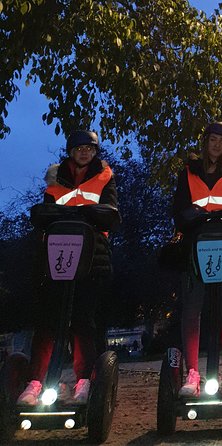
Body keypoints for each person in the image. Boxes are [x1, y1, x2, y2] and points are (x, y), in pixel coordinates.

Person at [17, 130, 118, 405]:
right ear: (70, 152)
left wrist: (94, 214)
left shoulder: (105, 177)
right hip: (57, 255)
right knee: (49, 320)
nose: (84, 152)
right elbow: (46, 211)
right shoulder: (55, 177)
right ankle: (36, 381)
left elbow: (111, 211)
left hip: (90, 257)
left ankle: (84, 381)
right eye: (79, 148)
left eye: (89, 148)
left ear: (95, 152)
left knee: (83, 320)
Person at [172, 121, 222, 397]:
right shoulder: (188, 173)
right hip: (196, 247)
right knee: (192, 307)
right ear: (205, 142)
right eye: (212, 140)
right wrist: (191, 217)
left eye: (221, 141)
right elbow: (178, 208)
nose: (216, 145)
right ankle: (192, 372)